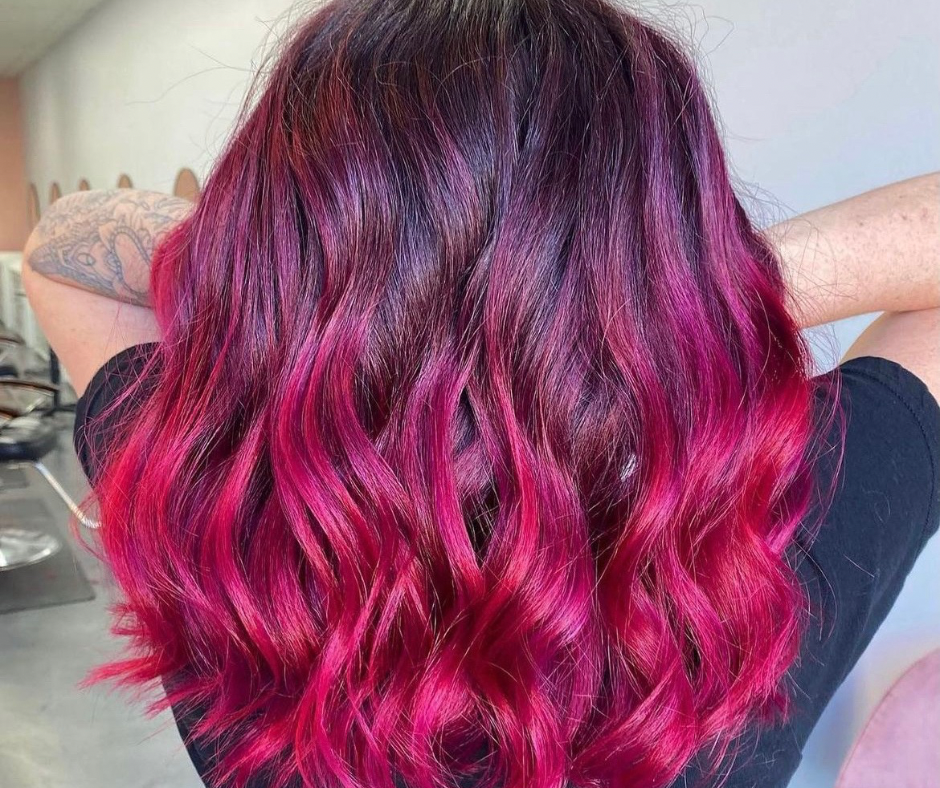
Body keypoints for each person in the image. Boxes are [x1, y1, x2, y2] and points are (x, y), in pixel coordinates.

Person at [21, 1, 939, 787]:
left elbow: (63, 252)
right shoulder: (782, 535)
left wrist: (288, 279)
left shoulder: (208, 496)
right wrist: (672, 298)